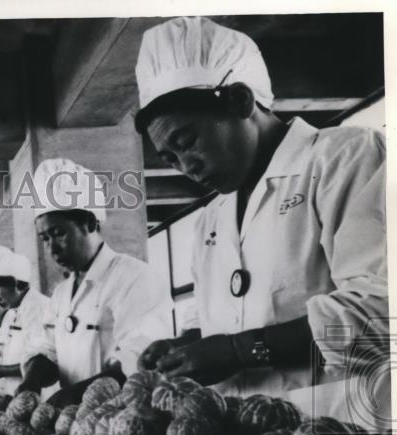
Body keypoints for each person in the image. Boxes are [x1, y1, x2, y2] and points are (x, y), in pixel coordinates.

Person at [133, 17, 388, 406]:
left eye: (187, 142)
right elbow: (221, 321)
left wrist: (239, 351)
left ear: (240, 100)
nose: (186, 167)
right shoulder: (211, 218)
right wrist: (182, 347)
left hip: (340, 429)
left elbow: (380, 312)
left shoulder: (343, 158)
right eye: (170, 158)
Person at [29, 158, 173, 406]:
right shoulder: (61, 294)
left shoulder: (135, 278)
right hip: (75, 421)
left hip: (123, 417)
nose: (52, 249)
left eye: (59, 233)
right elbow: (49, 351)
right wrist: (30, 382)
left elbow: (138, 361)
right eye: (44, 239)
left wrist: (72, 396)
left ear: (90, 222)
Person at [0, 245, 57, 395]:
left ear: (14, 283)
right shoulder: (11, 314)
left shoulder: (39, 307)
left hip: (40, 395)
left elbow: (43, 359)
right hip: (16, 396)